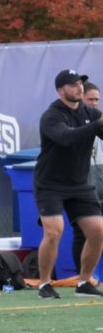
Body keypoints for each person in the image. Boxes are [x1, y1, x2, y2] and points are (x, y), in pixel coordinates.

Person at [33, 68, 103, 298]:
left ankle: (83, 283)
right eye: (73, 85)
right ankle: (44, 284)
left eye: (80, 83)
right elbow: (67, 138)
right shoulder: (52, 116)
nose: (79, 87)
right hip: (50, 184)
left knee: (98, 231)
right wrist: (97, 124)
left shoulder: (89, 113)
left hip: (79, 184)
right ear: (61, 90)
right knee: (54, 232)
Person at [70, 81, 103, 276]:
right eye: (90, 99)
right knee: (82, 235)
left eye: (97, 100)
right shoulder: (70, 123)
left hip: (100, 190)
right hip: (81, 192)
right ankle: (83, 278)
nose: (94, 103)